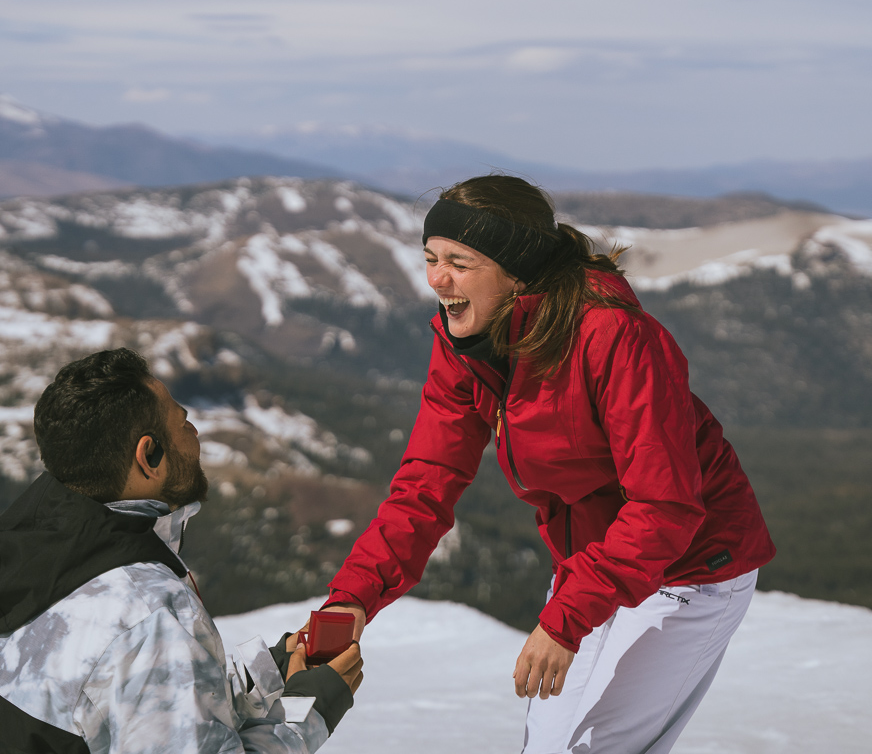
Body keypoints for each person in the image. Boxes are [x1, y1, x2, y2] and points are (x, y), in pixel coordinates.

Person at [320, 175, 775, 754]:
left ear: (517, 273)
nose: (437, 280)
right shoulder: (465, 345)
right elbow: (424, 486)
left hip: (690, 566)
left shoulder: (616, 336)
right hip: (594, 563)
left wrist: (564, 620)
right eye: (431, 258)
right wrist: (352, 599)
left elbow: (666, 506)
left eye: (459, 262)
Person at [0, 348, 362, 754]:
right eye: (182, 421)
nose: (194, 430)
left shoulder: (21, 561)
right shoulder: (150, 613)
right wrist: (309, 710)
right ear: (148, 456)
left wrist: (269, 670)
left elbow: (112, 702)